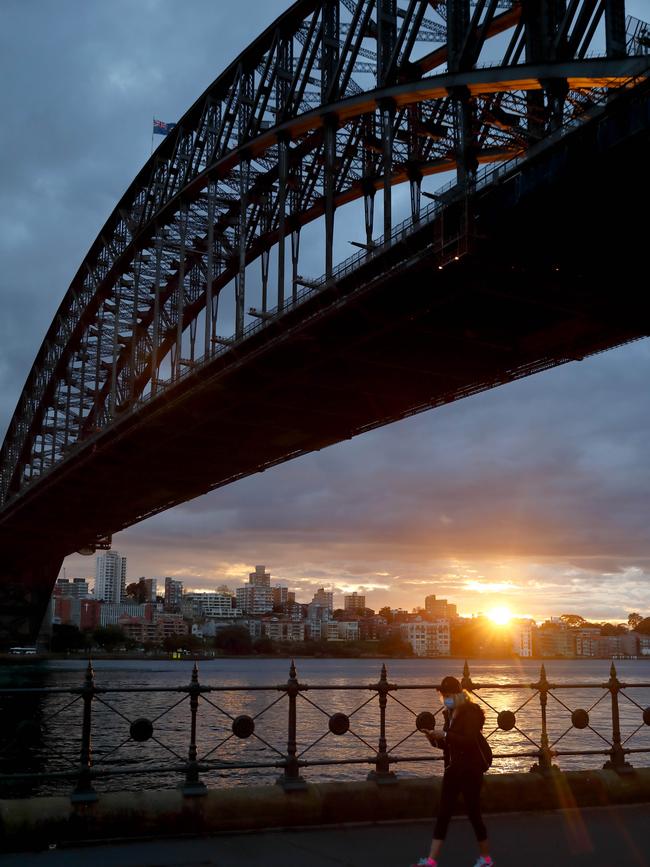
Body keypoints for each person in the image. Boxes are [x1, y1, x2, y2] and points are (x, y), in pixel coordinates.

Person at [411, 675, 494, 867]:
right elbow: (449, 744)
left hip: (471, 770)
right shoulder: (449, 712)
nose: (445, 698)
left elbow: (469, 740)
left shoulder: (471, 712)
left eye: (448, 695)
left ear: (457, 694)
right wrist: (433, 738)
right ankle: (431, 861)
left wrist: (446, 734)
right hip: (453, 769)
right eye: (443, 695)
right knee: (444, 814)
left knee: (474, 813)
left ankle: (486, 859)